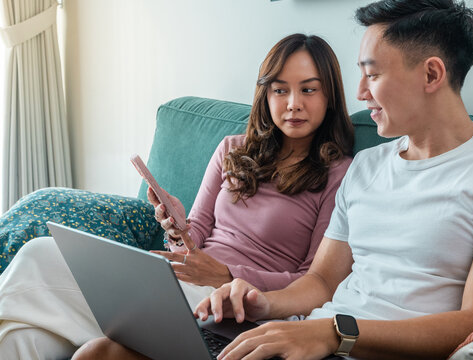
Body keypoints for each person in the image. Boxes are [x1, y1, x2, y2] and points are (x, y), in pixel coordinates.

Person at [183, 1, 473, 359]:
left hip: (344, 345)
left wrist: (335, 334)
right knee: (133, 342)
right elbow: (322, 281)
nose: (359, 93)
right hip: (313, 341)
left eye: (373, 75)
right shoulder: (367, 165)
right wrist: (261, 303)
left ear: (431, 75)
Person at [0, 33, 354, 360]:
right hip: (183, 280)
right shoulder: (232, 148)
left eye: (308, 90)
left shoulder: (340, 174)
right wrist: (175, 226)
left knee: (38, 256)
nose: (293, 104)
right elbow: (194, 235)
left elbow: (315, 280)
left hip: (238, 303)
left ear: (329, 96)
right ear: (265, 94)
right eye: (280, 90)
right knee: (25, 335)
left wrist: (228, 275)